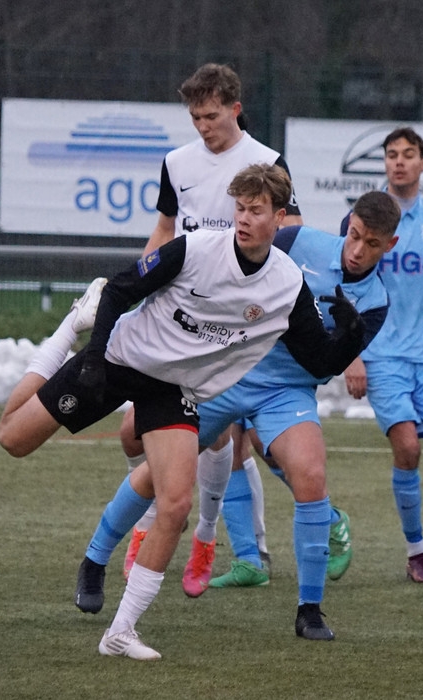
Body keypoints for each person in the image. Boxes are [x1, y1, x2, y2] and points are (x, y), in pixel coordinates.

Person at [0, 164, 365, 660]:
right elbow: (121, 289)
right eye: (239, 208)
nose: (243, 219)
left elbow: (318, 361)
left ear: (280, 217)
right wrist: (93, 355)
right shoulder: (195, 249)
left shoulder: (286, 285)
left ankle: (121, 632)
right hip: (121, 358)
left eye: (256, 211)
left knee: (174, 505)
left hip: (172, 388)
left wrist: (351, 337)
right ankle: (69, 326)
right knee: (13, 439)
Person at [75, 190, 400, 642]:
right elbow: (241, 269)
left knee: (310, 476)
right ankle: (94, 560)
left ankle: (309, 610)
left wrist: (347, 339)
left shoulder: (377, 302)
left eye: (372, 244)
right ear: (348, 224)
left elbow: (323, 367)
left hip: (287, 391)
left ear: (390, 245)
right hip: (225, 371)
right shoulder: (297, 242)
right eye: (355, 236)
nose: (358, 250)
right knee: (155, 471)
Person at [120, 62, 302, 587]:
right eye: (195, 117)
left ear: (235, 109)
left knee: (221, 435)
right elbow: (166, 229)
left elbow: (291, 231)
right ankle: (166, 525)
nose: (203, 127)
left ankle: (203, 536)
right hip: (176, 315)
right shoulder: (177, 162)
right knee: (137, 433)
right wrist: (137, 283)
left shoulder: (266, 162)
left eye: (212, 116)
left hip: (233, 323)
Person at [339, 127, 423, 583]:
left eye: (408, 154)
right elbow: (342, 289)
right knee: (407, 448)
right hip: (382, 353)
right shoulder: (363, 220)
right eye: (391, 155)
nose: (399, 162)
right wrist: (351, 356)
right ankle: (416, 551)